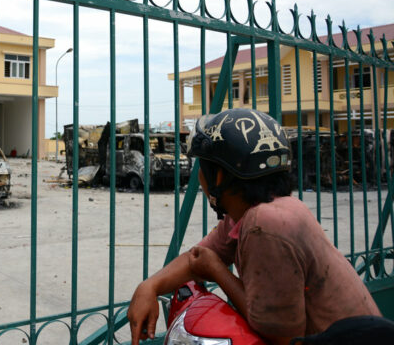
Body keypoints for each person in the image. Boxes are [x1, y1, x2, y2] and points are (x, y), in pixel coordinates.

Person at [127, 108, 382, 345]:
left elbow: (282, 334)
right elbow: (197, 257)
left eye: (201, 169)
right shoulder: (255, 213)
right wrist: (150, 287)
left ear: (218, 176)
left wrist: (218, 272)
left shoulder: (266, 224)